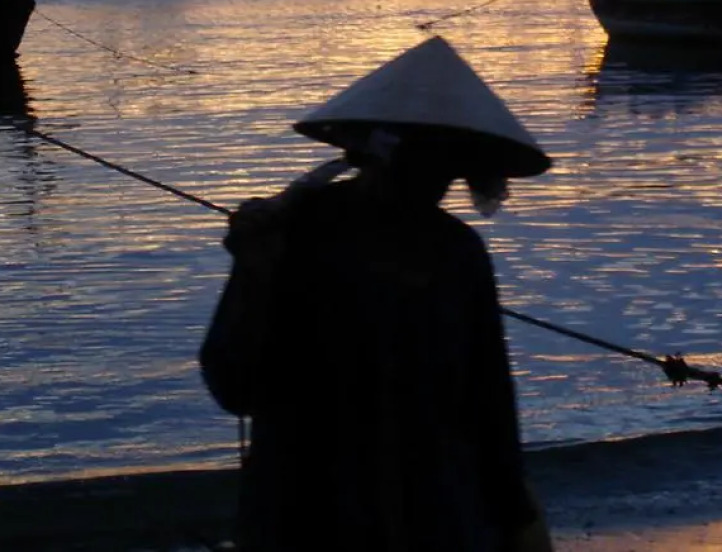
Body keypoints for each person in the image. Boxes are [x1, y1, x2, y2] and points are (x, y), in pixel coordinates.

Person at [200, 36, 553, 552]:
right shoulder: (293, 234)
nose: (436, 179)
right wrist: (254, 267)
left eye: (447, 164)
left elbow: (489, 406)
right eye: (423, 158)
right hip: (309, 513)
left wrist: (514, 517)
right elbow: (233, 383)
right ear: (379, 152)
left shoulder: (458, 255)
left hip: (434, 516)